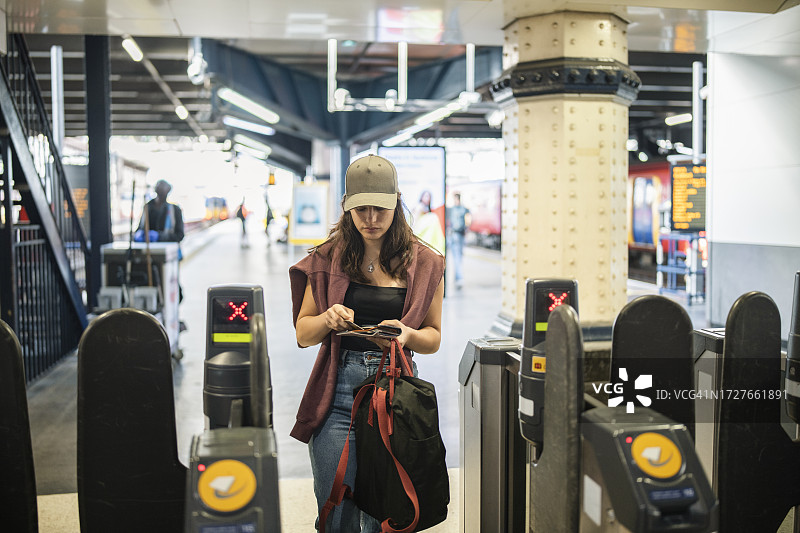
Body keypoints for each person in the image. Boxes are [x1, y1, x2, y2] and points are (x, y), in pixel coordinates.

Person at [289, 154, 445, 533]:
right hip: (336, 391)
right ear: (346, 207)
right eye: (361, 209)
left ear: (397, 204)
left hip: (393, 392)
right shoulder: (326, 259)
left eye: (380, 209)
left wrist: (406, 335)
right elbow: (302, 334)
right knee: (335, 501)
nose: (371, 219)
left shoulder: (425, 263)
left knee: (384, 507)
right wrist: (327, 319)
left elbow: (433, 337)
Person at [446, 192, 471, 288]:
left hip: (455, 234)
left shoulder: (452, 210)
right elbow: (468, 220)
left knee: (457, 257)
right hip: (459, 234)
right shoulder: (464, 209)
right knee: (458, 256)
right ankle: (458, 277)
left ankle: (459, 277)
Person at [411, 189, 446, 255]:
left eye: (428, 197)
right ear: (422, 197)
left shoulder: (429, 211)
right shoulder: (419, 207)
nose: (427, 198)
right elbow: (414, 221)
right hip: (418, 231)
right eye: (426, 196)